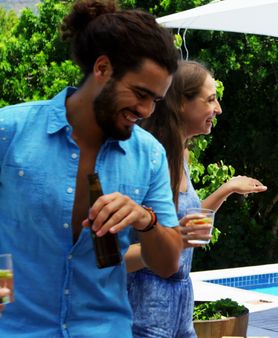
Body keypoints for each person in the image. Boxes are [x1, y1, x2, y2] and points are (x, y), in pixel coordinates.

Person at [0, 0, 184, 336]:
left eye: (155, 100)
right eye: (140, 93)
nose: (145, 110)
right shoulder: (9, 130)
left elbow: (168, 263)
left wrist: (146, 219)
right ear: (102, 69)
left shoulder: (150, 155)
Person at [125, 60, 267, 338]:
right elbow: (118, 255)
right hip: (147, 304)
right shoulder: (147, 161)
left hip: (180, 299)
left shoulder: (182, 156)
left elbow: (182, 225)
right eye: (211, 99)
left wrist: (226, 189)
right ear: (180, 103)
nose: (218, 109)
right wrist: (170, 242)